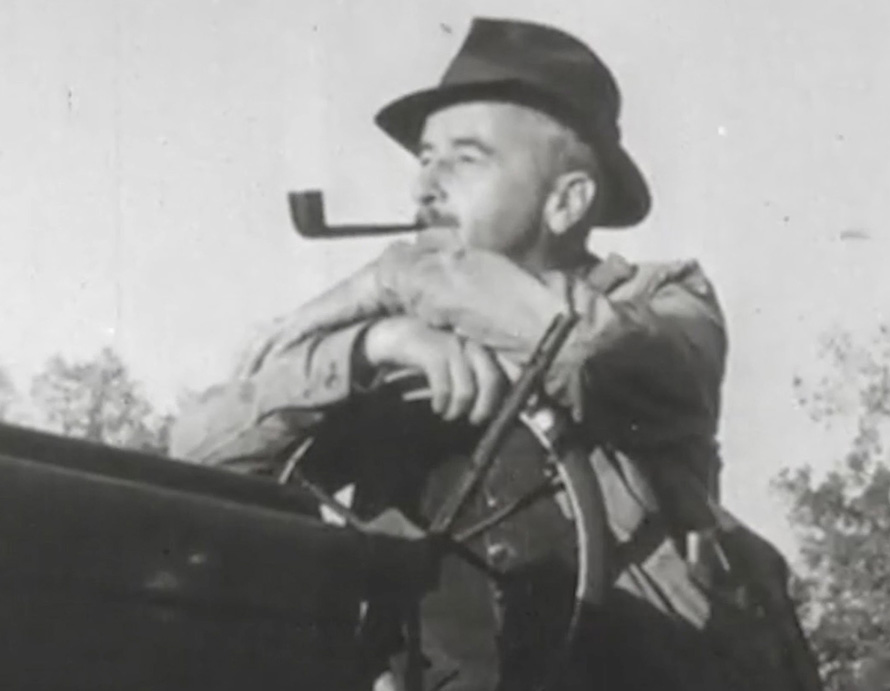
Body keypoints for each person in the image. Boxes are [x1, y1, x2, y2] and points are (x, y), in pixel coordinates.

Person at [172, 17, 818, 691]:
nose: (426, 186)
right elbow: (196, 461)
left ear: (567, 201)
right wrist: (369, 347)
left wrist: (401, 277)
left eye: (466, 158)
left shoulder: (666, 302)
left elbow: (580, 354)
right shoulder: (398, 338)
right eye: (425, 157)